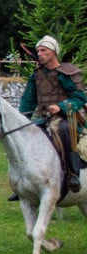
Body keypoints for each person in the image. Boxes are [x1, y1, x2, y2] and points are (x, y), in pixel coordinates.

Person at [18, 35, 84, 194]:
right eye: (38, 50)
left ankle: (73, 174)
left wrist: (60, 106)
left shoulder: (66, 73)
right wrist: (21, 121)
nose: (39, 53)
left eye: (44, 50)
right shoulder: (36, 75)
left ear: (53, 52)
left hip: (66, 117)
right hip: (43, 118)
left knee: (65, 130)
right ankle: (24, 182)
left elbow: (79, 97)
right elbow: (28, 101)